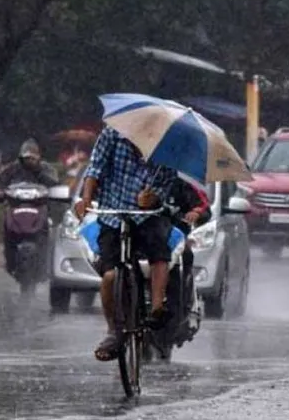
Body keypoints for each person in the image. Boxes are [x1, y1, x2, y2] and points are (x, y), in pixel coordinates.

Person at [73, 125, 177, 362]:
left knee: (160, 251)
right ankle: (113, 331)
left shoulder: (165, 145)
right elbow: (95, 168)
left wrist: (154, 197)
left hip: (147, 216)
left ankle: (157, 307)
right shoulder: (112, 134)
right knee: (110, 275)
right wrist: (86, 199)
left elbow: (168, 181)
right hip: (113, 214)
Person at [0, 138, 59, 276]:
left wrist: (39, 172)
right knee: (6, 224)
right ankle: (10, 259)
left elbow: (54, 184)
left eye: (33, 157)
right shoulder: (12, 169)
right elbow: (0, 183)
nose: (29, 160)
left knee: (52, 227)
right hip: (16, 206)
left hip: (39, 206)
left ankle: (46, 261)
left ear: (38, 157)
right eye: (27, 157)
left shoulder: (46, 169)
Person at [165, 177, 211, 342]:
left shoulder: (182, 185)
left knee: (185, 257)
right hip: (145, 240)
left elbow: (204, 208)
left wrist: (196, 213)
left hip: (175, 243)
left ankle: (181, 310)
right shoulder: (137, 183)